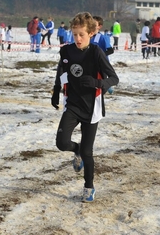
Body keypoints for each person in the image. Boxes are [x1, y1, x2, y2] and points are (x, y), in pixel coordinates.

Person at [51, 12, 119, 203]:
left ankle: (88, 187)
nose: (78, 39)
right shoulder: (66, 51)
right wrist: (56, 90)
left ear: (91, 33)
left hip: (91, 108)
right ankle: (76, 149)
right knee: (61, 143)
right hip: (72, 104)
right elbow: (61, 70)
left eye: (81, 34)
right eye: (75, 35)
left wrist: (98, 83)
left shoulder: (96, 53)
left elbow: (114, 78)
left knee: (88, 153)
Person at [92, 16, 115, 94]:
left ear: (99, 26)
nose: (91, 25)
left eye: (94, 24)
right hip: (91, 65)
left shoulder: (102, 38)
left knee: (101, 86)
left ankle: (107, 87)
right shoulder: (87, 37)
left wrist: (100, 56)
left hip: (102, 65)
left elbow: (110, 50)